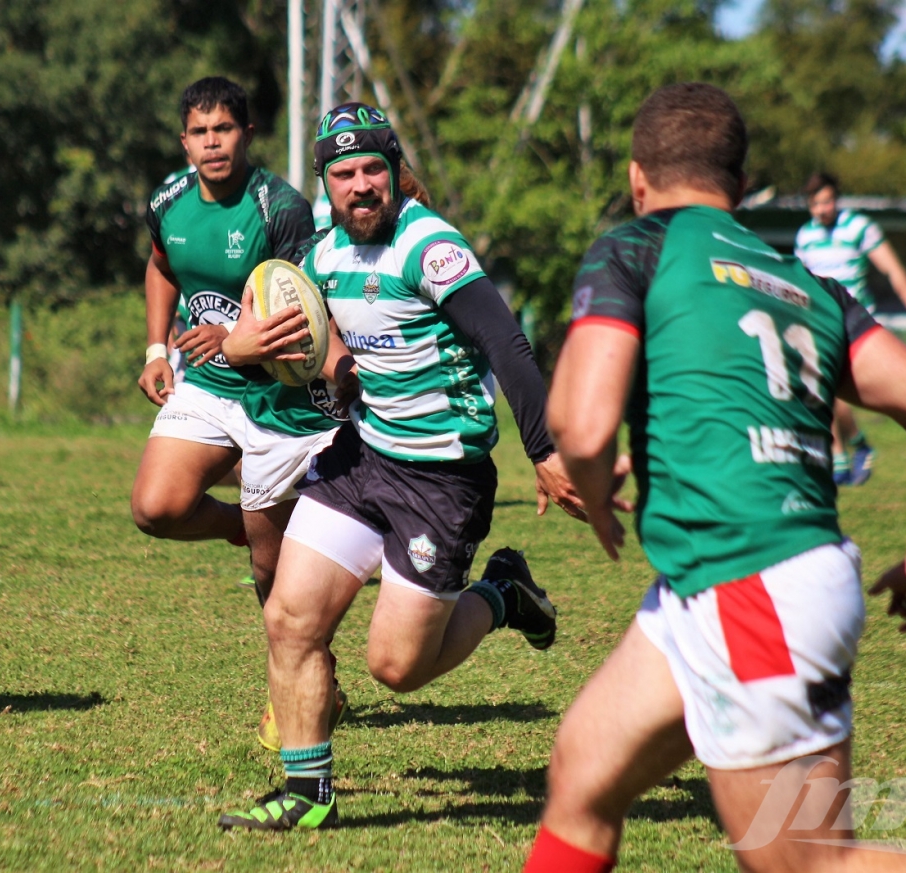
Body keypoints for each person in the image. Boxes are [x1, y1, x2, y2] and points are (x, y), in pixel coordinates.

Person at [531, 83, 906, 873]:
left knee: (806, 863)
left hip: (750, 587)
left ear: (638, 179)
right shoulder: (806, 281)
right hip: (729, 583)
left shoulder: (636, 245)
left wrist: (596, 498)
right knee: (582, 777)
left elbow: (584, 425)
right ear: (739, 185)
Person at [218, 103, 587, 831]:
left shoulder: (431, 248)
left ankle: (504, 594)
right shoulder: (321, 257)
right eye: (343, 174)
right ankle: (306, 791)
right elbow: (273, 345)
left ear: (394, 173)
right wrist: (246, 346)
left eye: (372, 171)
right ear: (324, 184)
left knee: (398, 668)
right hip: (362, 457)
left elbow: (507, 344)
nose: (360, 186)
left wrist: (544, 450)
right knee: (290, 619)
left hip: (442, 479)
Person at [131, 77, 351, 745]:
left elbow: (304, 319)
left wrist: (233, 343)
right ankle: (241, 528)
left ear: (247, 135)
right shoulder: (167, 198)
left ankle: (307, 688)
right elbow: (162, 265)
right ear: (184, 141)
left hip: (283, 403)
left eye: (223, 129)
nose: (211, 143)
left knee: (270, 573)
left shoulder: (279, 208)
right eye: (199, 132)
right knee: (156, 506)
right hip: (208, 386)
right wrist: (154, 347)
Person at [795, 171, 906, 486]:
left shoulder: (859, 227)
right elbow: (803, 283)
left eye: (827, 201)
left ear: (836, 199)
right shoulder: (805, 236)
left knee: (831, 386)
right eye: (816, 204)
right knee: (822, 387)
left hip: (856, 319)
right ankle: (844, 453)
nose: (822, 209)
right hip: (819, 319)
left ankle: (849, 450)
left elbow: (892, 269)